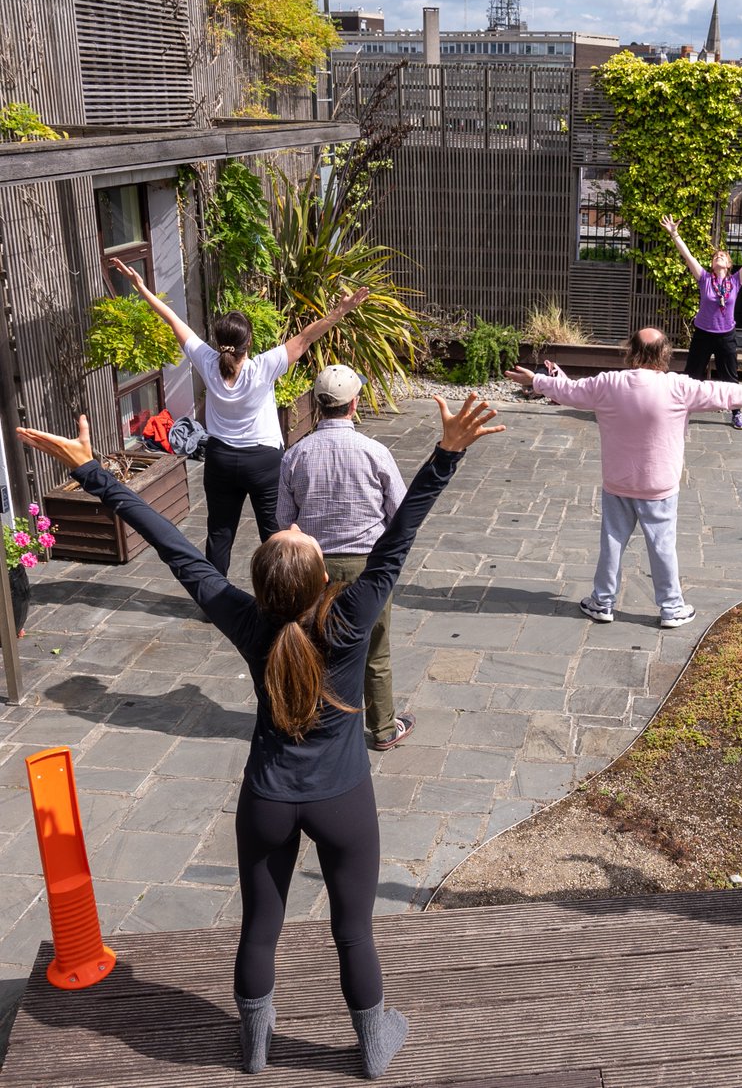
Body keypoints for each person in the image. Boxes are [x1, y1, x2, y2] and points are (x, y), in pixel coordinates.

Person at [17, 396, 504, 1077]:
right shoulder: (353, 616)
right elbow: (399, 535)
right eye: (296, 536)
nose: (297, 527)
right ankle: (372, 1044)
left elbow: (175, 547)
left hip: (266, 799)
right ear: (319, 577)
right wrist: (446, 452)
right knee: (353, 931)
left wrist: (97, 473)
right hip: (343, 800)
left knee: (260, 925)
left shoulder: (248, 621)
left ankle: (254, 1042)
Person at [505, 328, 742, 627]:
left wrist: (536, 380)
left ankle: (602, 603)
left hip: (617, 482)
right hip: (659, 486)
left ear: (630, 351)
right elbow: (724, 393)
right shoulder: (678, 387)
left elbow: (570, 391)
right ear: (664, 354)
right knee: (662, 546)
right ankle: (671, 609)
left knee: (612, 543)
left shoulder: (608, 383)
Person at [108, 256, 369, 575]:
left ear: (220, 342)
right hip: (263, 463)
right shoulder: (263, 367)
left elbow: (172, 319)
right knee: (273, 536)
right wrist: (341, 310)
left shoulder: (207, 361)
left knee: (220, 534)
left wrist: (141, 287)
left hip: (220, 460)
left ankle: (214, 602)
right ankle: (280, 598)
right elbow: (306, 337)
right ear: (249, 342)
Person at [276, 364, 412, 752]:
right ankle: (383, 727)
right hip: (367, 566)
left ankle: (314, 720)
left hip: (312, 567)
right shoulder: (375, 452)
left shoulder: (295, 455)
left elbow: (284, 521)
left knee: (313, 645)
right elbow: (400, 513)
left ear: (317, 405)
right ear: (354, 404)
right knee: (375, 646)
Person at [660, 213, 742, 431]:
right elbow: (688, 256)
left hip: (726, 335)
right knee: (692, 374)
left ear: (728, 264)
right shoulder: (705, 279)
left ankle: (736, 413)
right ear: (712, 263)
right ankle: (681, 409)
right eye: (716, 256)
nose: (719, 258)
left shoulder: (735, 281)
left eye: (723, 257)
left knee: (730, 377)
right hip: (703, 334)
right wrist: (675, 234)